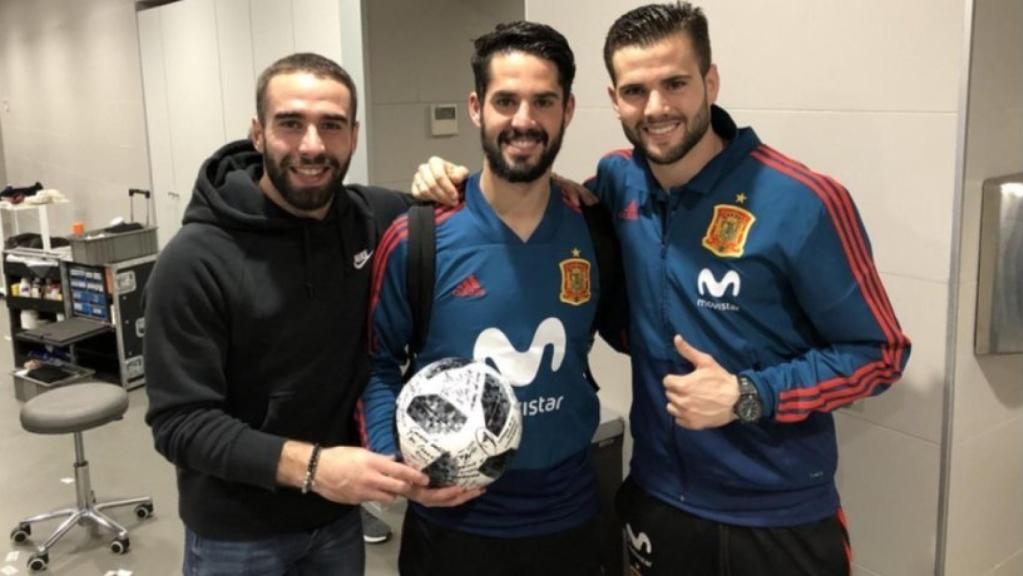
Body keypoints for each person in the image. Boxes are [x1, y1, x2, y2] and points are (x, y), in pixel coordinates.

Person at [412, 3, 912, 575]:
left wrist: (752, 393)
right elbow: (537, 201)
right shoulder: (618, 184)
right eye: (635, 90)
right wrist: (450, 180)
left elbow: (880, 354)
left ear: (711, 81)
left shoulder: (803, 199)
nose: (656, 108)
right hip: (655, 499)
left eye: (675, 83)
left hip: (778, 517)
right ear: (613, 98)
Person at [143, 52, 453, 575]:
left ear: (353, 135)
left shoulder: (371, 218)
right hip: (236, 534)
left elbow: (468, 212)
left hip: (335, 523)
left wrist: (444, 177)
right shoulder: (193, 260)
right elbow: (179, 423)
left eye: (331, 126)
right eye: (291, 123)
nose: (312, 145)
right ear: (258, 133)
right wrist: (314, 468)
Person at [361, 21, 624, 576]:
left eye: (542, 101)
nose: (523, 121)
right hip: (454, 526)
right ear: (477, 108)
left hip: (571, 516)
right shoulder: (419, 237)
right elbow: (376, 365)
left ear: (568, 110)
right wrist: (398, 465)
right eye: (506, 101)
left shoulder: (596, 229)